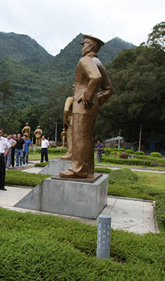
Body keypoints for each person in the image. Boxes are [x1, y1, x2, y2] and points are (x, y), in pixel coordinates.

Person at [60, 35, 114, 178]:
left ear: (90, 47)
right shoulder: (98, 62)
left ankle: (78, 169)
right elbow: (109, 89)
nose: (83, 48)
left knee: (79, 137)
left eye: (84, 45)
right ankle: (88, 169)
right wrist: (96, 99)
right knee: (87, 138)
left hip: (82, 105)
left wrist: (87, 96)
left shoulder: (86, 60)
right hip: (91, 106)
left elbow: (95, 77)